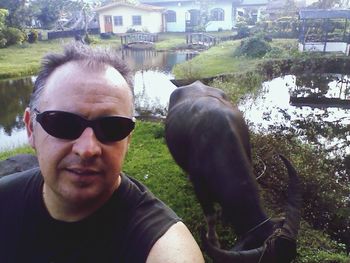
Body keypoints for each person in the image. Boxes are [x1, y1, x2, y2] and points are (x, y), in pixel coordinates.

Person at [0, 43, 204, 263]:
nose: (87, 149)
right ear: (31, 128)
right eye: (63, 123)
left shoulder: (161, 246)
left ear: (128, 139)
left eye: (112, 127)